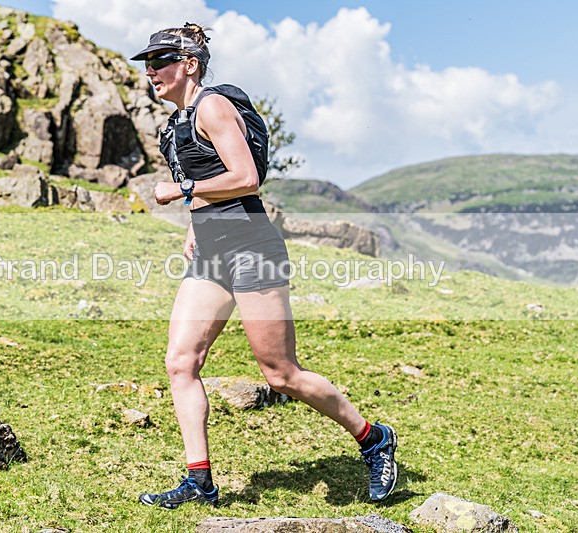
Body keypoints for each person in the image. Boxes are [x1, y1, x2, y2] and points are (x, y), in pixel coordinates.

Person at [130, 23, 398, 509]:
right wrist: (195, 222)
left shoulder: (212, 105)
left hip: (252, 249)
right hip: (213, 255)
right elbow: (214, 181)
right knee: (181, 361)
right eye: (147, 63)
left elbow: (246, 178)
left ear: (189, 63)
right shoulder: (176, 123)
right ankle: (199, 481)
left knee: (280, 373)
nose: (151, 71)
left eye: (161, 60)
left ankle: (373, 437)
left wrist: (183, 192)